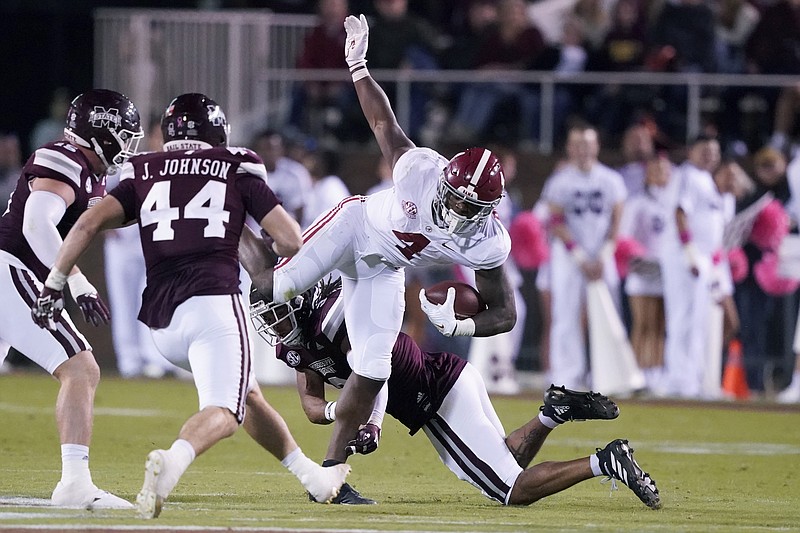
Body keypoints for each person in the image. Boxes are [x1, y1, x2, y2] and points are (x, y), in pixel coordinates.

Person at [31, 93, 350, 518]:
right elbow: (291, 240)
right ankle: (174, 460)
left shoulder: (143, 169)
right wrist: (263, 236)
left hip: (162, 323)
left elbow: (88, 223)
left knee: (246, 393)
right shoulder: (236, 164)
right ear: (217, 134)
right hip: (213, 305)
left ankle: (312, 475)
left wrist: (57, 281)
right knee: (225, 410)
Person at [243, 13, 518, 476]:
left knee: (373, 367)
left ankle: (332, 470)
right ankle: (230, 220)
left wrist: (462, 328)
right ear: (446, 181)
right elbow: (382, 124)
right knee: (276, 289)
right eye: (456, 200)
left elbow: (504, 313)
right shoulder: (421, 172)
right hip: (353, 229)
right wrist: (359, 66)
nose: (459, 213)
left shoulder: (488, 242)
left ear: (491, 209)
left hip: (384, 268)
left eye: (472, 208)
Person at [248, 276, 661, 509]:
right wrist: (342, 410)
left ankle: (604, 461)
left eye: (277, 314)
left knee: (510, 490)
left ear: (300, 302)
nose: (275, 327)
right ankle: (551, 413)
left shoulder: (333, 320)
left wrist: (371, 421)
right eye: (267, 318)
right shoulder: (297, 345)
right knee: (506, 459)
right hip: (449, 377)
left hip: (435, 398)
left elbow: (375, 375)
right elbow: (310, 404)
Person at [0, 89, 143, 509]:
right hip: (11, 267)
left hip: (12, 268)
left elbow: (110, 214)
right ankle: (75, 484)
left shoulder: (90, 174)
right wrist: (75, 281)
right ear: (100, 132)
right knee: (80, 367)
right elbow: (36, 224)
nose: (127, 145)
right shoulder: (63, 157)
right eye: (123, 135)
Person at [545, 123, 627, 390]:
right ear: (569, 148)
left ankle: (611, 373)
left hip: (603, 255)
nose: (583, 150)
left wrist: (604, 254)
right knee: (566, 315)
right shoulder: (560, 181)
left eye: (587, 144)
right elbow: (555, 221)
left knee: (608, 313)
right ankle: (567, 375)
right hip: (570, 258)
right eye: (577, 144)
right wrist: (580, 257)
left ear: (597, 146)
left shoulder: (611, 179)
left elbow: (616, 221)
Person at [659, 134, 725, 398]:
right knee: (683, 318)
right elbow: (680, 213)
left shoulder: (707, 179)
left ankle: (693, 378)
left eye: (713, 151)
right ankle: (677, 379)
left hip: (702, 258)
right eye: (704, 150)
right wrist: (689, 253)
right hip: (684, 257)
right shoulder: (686, 175)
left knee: (697, 320)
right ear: (691, 152)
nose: (709, 155)